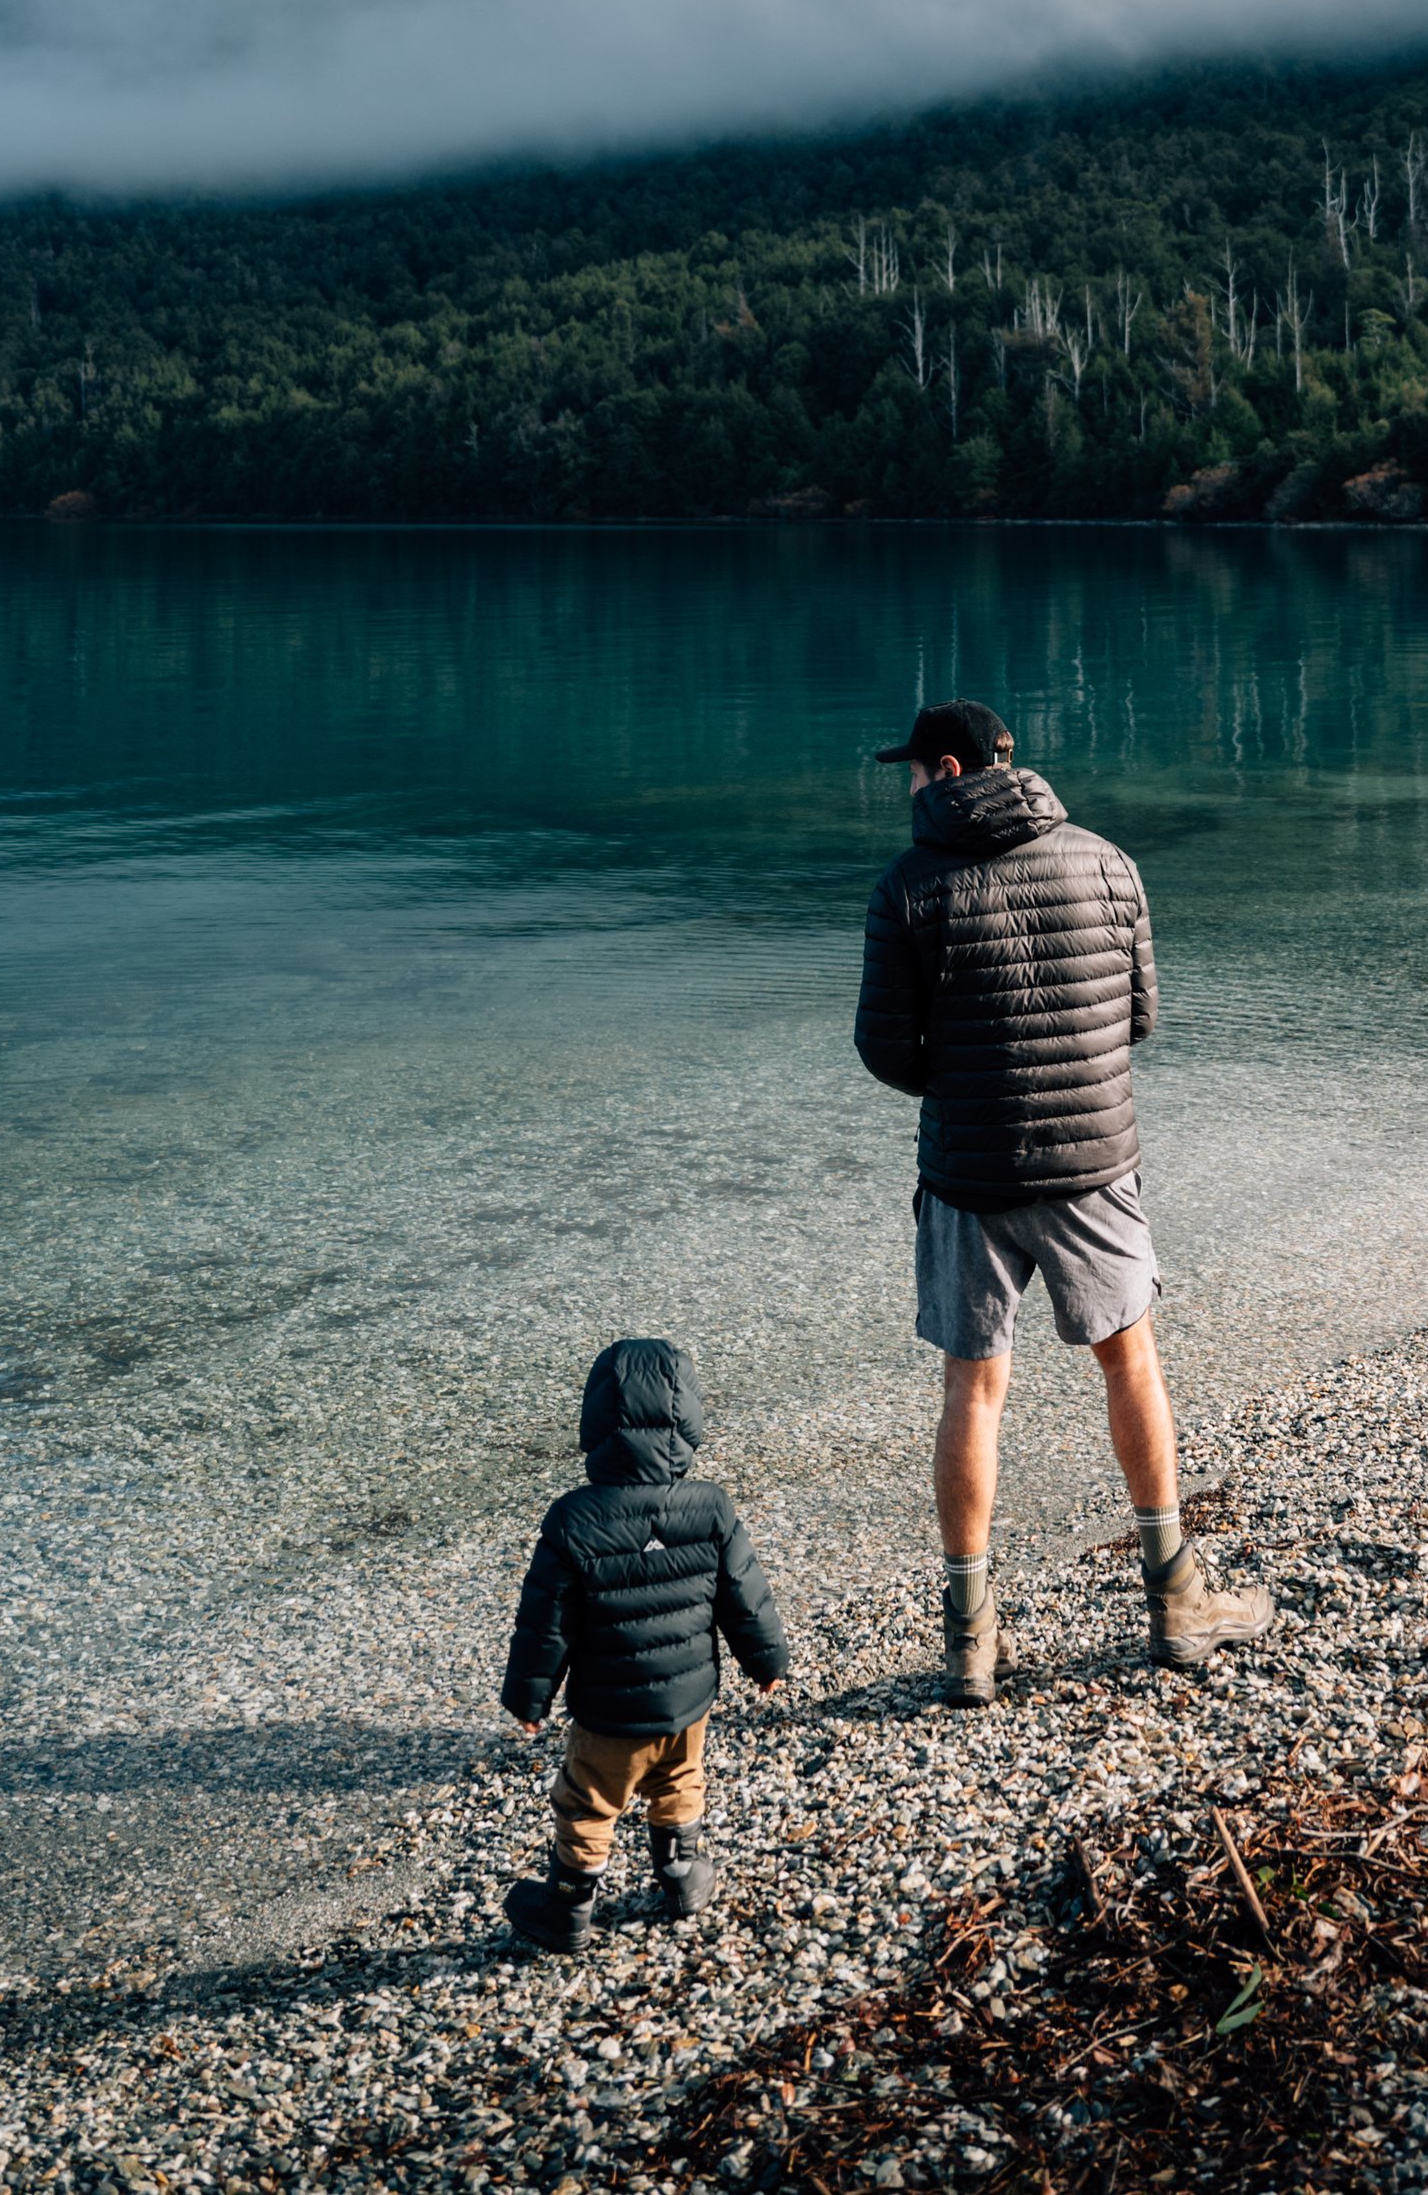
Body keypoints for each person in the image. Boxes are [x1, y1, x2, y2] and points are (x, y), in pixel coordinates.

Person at [856, 697, 1273, 1705]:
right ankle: (1175, 1603)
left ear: (946, 767)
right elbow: (1136, 1014)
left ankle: (970, 1643)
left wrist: (963, 1086)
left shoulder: (911, 884)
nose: (908, 787)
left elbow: (882, 1048)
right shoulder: (1105, 860)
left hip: (968, 1172)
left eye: (912, 770)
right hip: (1093, 1162)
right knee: (1128, 1360)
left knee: (973, 1388)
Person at [499, 1334, 791, 1952]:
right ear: (688, 1419)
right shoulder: (710, 1508)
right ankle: (682, 1878)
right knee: (680, 1778)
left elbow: (546, 1624)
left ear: (595, 1424)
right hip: (689, 1699)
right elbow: (745, 1594)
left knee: (588, 1802)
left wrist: (530, 1700)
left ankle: (568, 1909)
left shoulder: (574, 1519)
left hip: (610, 1711)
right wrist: (767, 1662)